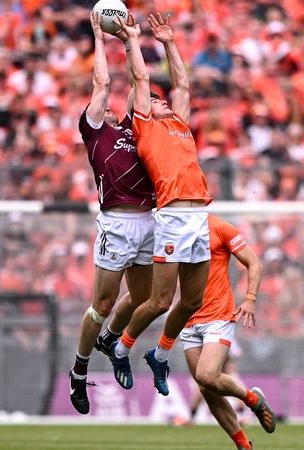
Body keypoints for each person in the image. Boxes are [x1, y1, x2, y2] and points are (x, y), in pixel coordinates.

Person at [110, 13, 212, 397]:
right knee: (160, 300)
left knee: (193, 301)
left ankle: (160, 354)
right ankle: (121, 347)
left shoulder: (180, 124)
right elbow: (141, 80)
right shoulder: (146, 127)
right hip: (170, 215)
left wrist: (169, 42)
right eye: (155, 100)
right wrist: (133, 40)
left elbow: (182, 83)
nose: (162, 100)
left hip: (198, 214)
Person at [68, 11, 157, 415]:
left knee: (146, 297)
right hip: (118, 221)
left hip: (148, 220)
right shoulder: (95, 131)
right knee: (101, 304)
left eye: (106, 108)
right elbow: (103, 82)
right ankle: (79, 370)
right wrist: (99, 35)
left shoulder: (133, 130)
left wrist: (132, 39)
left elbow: (141, 84)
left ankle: (111, 339)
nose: (103, 107)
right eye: (97, 106)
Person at [175, 214, 275, 449]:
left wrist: (250, 299)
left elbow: (254, 263)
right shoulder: (171, 228)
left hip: (218, 316)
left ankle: (251, 399)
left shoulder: (220, 228)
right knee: (206, 387)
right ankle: (244, 445)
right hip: (188, 319)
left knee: (208, 376)